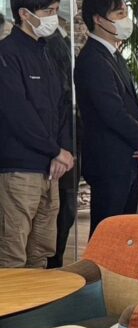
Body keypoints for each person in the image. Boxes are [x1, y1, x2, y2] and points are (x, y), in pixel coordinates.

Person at [0, 0, 74, 267]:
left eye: (55, 10)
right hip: (19, 169)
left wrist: (63, 151)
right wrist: (54, 150)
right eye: (47, 11)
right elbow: (18, 113)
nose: (53, 17)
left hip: (51, 168)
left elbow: (62, 106)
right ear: (24, 13)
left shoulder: (47, 52)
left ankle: (37, 300)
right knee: (12, 251)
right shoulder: (7, 54)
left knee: (42, 251)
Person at [75, 0, 138, 235]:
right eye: (119, 14)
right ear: (99, 20)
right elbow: (112, 111)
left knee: (124, 231)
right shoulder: (92, 59)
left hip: (126, 157)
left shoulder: (113, 55)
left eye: (125, 13)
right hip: (108, 160)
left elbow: (133, 105)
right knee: (107, 233)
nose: (125, 20)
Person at [44, 16, 77, 267]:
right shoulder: (48, 42)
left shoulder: (58, 40)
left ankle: (53, 265)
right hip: (53, 146)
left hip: (64, 144)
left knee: (63, 209)